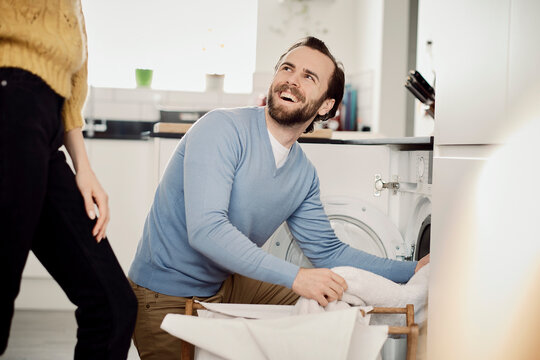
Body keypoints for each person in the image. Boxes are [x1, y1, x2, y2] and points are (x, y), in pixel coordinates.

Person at [128, 36, 430, 359]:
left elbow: (329, 252)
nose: (292, 80)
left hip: (224, 284)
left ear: (326, 105)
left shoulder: (302, 174)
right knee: (308, 288)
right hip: (164, 293)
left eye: (308, 77)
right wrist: (297, 278)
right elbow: (206, 230)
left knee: (333, 301)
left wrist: (412, 271)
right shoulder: (221, 130)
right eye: (287, 68)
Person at [0, 2, 137, 358]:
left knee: (113, 306)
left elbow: (71, 86)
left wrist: (84, 168)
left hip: (46, 127)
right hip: (8, 102)